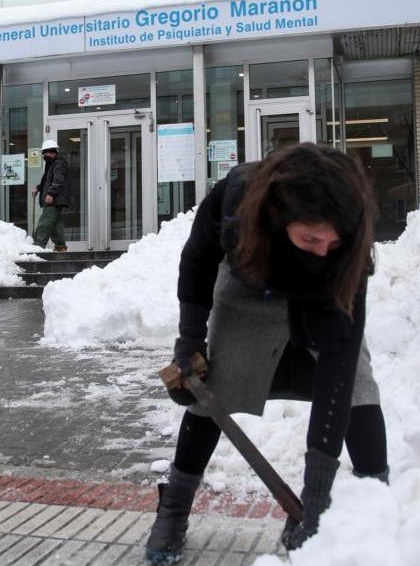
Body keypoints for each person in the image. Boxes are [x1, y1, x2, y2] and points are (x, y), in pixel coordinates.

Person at [145, 144, 389, 564]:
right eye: (311, 237)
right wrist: (189, 341)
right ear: (281, 216)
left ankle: (380, 513)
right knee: (213, 396)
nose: (322, 248)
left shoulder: (345, 248)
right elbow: (198, 262)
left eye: (332, 241)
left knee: (358, 391)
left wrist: (314, 502)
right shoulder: (240, 201)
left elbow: (339, 365)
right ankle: (174, 509)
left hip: (324, 296)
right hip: (250, 290)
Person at [31, 139, 70, 252]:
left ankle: (38, 246)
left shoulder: (59, 163)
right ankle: (60, 247)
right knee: (55, 224)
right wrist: (38, 188)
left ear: (51, 152)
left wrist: (51, 193)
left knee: (45, 222)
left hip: (55, 199)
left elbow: (59, 180)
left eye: (45, 153)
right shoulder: (51, 164)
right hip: (55, 199)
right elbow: (46, 181)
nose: (44, 155)